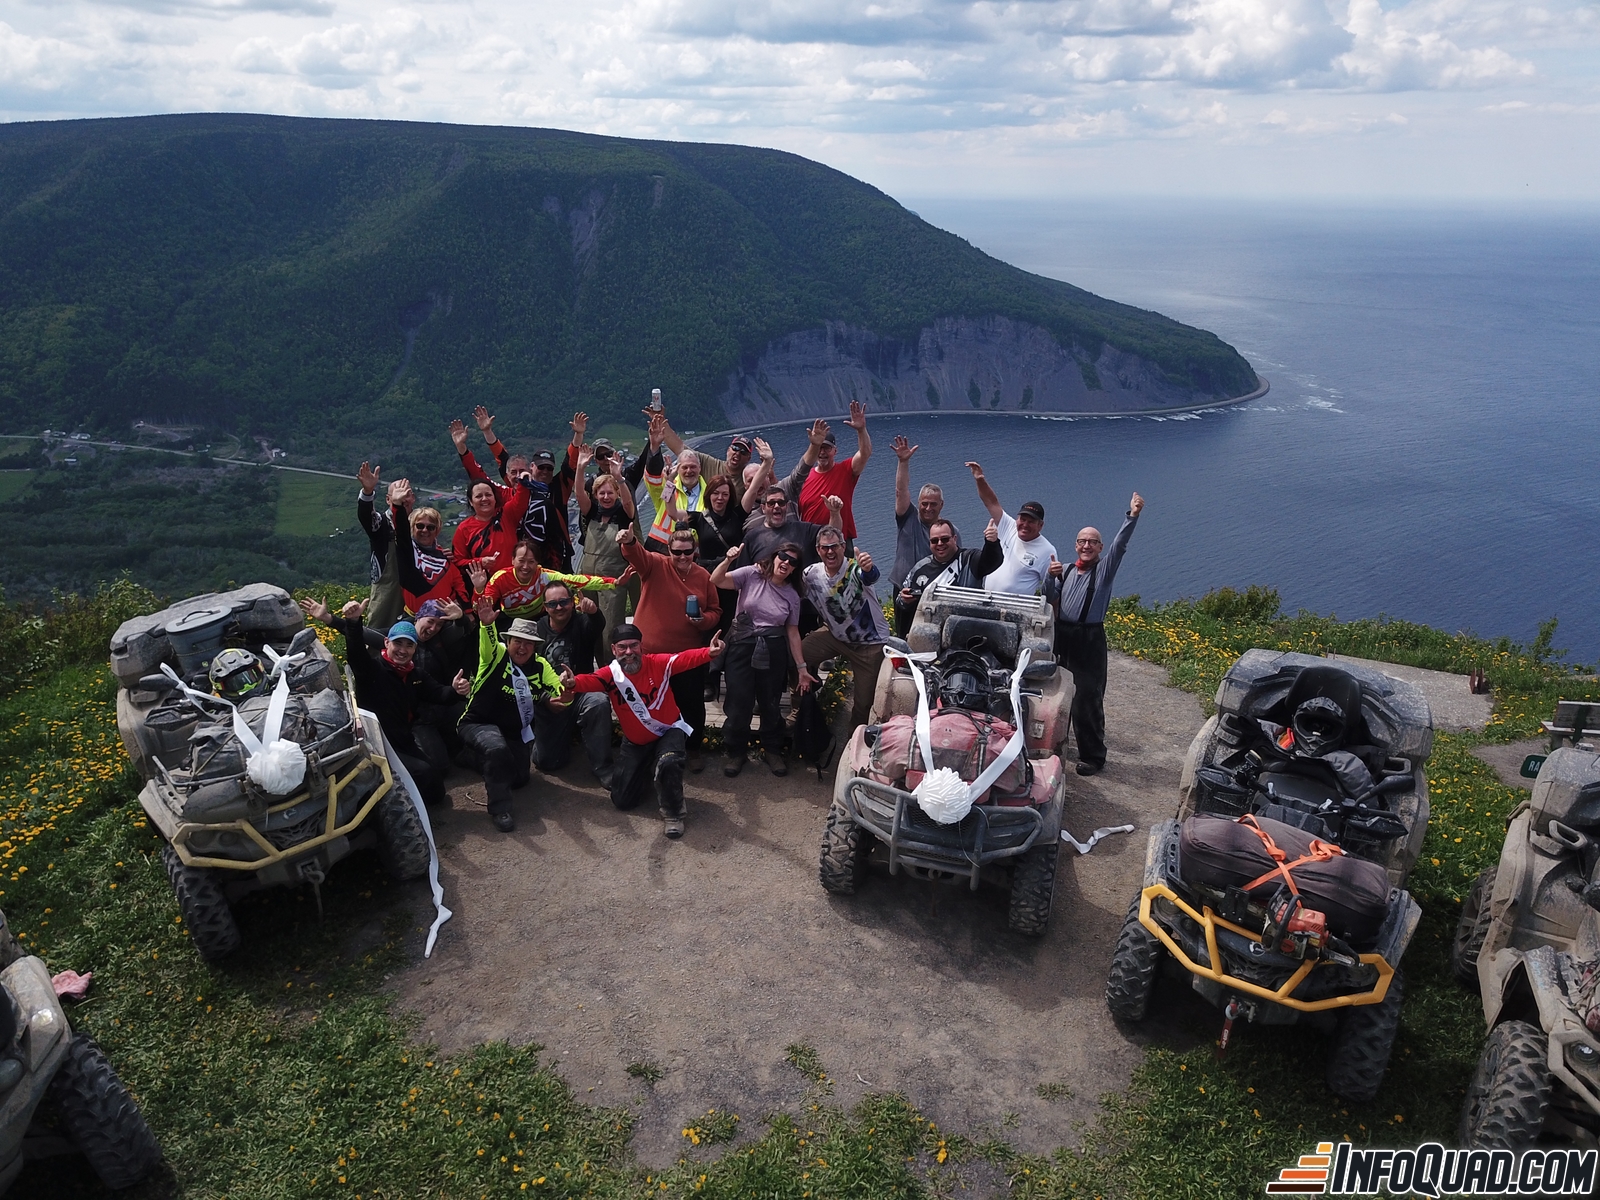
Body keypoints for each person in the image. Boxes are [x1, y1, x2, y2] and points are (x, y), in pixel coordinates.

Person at [560, 624, 726, 839]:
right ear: (613, 649)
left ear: (641, 647)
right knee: (622, 801)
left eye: (633, 646)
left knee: (669, 762)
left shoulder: (658, 663)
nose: (629, 652)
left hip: (668, 731)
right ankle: (649, 770)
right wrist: (572, 683)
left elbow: (685, 658)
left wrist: (709, 652)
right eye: (623, 647)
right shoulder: (611, 674)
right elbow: (588, 681)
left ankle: (673, 813)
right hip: (636, 741)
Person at [299, 598, 455, 806]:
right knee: (423, 772)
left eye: (409, 645)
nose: (402, 650)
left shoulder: (415, 674)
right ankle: (400, 808)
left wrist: (457, 690)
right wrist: (353, 622)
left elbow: (440, 694)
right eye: (398, 643)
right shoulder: (372, 670)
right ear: (387, 643)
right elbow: (356, 654)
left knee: (436, 781)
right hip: (377, 743)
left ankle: (417, 802)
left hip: (402, 739)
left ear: (414, 649)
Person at [1046, 493, 1145, 777]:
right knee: (1056, 691)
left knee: (1088, 696)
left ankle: (1093, 756)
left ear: (1100, 548)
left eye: (1092, 542)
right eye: (1082, 541)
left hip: (1089, 639)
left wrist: (1133, 515)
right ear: (1076, 546)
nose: (1086, 545)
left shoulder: (1103, 572)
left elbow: (1120, 547)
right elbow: (1050, 596)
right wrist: (1049, 576)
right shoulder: (1063, 570)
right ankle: (1056, 744)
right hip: (1063, 634)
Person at [456, 592, 568, 832]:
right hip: (477, 723)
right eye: (517, 640)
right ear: (508, 641)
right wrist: (487, 623)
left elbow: (558, 690)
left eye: (528, 642)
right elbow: (487, 640)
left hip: (512, 733)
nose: (522, 647)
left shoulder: (540, 665)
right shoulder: (495, 655)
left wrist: (568, 688)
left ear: (535, 646)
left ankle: (473, 758)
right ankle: (500, 809)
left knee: (519, 778)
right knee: (496, 749)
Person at [616, 524, 721, 772]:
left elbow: (715, 611)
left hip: (687, 656)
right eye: (677, 552)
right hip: (652, 656)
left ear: (695, 551)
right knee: (651, 703)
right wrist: (630, 541)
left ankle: (692, 748)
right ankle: (651, 748)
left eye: (687, 552)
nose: (682, 557)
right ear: (669, 551)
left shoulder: (703, 576)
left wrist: (703, 621)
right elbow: (637, 555)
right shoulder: (655, 565)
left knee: (692, 704)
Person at [710, 540, 814, 777]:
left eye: (793, 561)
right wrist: (728, 559)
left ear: (796, 568)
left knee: (770, 701)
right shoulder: (751, 574)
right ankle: (736, 751)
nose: (786, 563)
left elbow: (793, 632)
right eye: (783, 557)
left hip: (773, 648)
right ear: (774, 556)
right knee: (738, 700)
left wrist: (801, 667)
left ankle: (772, 749)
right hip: (741, 644)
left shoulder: (792, 595)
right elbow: (715, 580)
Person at [801, 528, 890, 733]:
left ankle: (853, 741)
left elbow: (869, 575)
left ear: (843, 547)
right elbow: (792, 594)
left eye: (835, 547)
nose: (830, 552)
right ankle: (803, 706)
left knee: (863, 702)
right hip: (835, 635)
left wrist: (869, 568)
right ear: (818, 549)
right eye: (825, 548)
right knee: (798, 656)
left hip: (869, 644)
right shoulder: (811, 574)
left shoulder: (854, 568)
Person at [668, 473, 747, 701]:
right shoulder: (699, 518)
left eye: (724, 493)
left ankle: (729, 679)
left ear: (730, 495)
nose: (720, 498)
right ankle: (709, 681)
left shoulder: (737, 515)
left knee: (729, 628)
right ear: (708, 494)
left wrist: (767, 464)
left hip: (730, 580)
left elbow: (751, 493)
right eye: (715, 493)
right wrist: (668, 484)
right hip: (706, 579)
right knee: (706, 630)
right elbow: (672, 511)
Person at [531, 581, 613, 786]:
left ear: (572, 601)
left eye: (564, 601)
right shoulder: (536, 631)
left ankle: (603, 766)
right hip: (551, 699)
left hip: (580, 693)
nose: (559, 607)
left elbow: (596, 625)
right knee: (548, 762)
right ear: (545, 607)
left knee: (599, 701)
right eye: (553, 604)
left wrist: (594, 612)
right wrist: (546, 700)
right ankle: (551, 737)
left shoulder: (582, 622)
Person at [894, 518, 1004, 635]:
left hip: (969, 632)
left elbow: (992, 561)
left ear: (955, 539)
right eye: (935, 540)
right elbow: (902, 602)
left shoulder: (970, 559)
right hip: (929, 635)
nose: (940, 544)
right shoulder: (920, 568)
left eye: (945, 539)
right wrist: (905, 600)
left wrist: (992, 543)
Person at [965, 461, 1057, 597]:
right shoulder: (1008, 526)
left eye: (1031, 521)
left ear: (1040, 525)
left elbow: (1049, 589)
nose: (1025, 524)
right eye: (1022, 519)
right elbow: (991, 502)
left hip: (1017, 609)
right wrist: (980, 479)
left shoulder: (1047, 551)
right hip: (986, 600)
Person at [574, 444, 636, 645]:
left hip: (612, 579)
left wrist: (619, 478)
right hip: (588, 576)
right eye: (602, 493)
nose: (606, 497)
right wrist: (581, 468)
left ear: (617, 493)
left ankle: (611, 668)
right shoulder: (592, 511)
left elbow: (628, 504)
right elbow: (578, 495)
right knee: (588, 623)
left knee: (610, 626)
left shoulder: (623, 513)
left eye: (610, 493)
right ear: (595, 495)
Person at [785, 405, 872, 540]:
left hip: (839, 542)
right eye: (819, 448)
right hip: (810, 541)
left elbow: (865, 453)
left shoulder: (846, 470)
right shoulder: (804, 477)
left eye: (826, 448)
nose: (822, 452)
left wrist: (861, 430)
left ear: (835, 451)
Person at [479, 539, 616, 624]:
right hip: (510, 622)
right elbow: (482, 607)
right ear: (512, 560)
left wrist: (614, 582)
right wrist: (478, 589)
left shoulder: (544, 575)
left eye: (531, 562)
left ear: (537, 563)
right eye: (521, 561)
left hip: (541, 619)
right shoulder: (500, 578)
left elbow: (577, 581)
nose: (526, 567)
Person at [387, 478, 469, 614]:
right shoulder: (407, 551)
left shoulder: (445, 557)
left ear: (437, 530)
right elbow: (401, 533)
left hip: (445, 618)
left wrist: (468, 612)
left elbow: (459, 586)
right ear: (412, 528)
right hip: (415, 619)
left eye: (431, 527)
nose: (425, 531)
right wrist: (397, 505)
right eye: (420, 526)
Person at [888, 436, 955, 590]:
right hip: (903, 589)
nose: (928, 508)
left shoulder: (950, 532)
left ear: (942, 505)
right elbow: (901, 491)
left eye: (933, 504)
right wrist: (903, 462)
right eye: (924, 504)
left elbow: (955, 563)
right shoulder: (908, 518)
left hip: (933, 591)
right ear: (918, 504)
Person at [738, 471, 843, 570]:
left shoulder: (805, 530)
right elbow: (742, 576)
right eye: (771, 503)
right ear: (763, 508)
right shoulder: (752, 538)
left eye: (781, 503)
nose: (776, 506)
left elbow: (833, 534)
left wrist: (834, 512)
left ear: (787, 506)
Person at [356, 461, 405, 630]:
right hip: (387, 592)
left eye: (407, 493)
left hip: (413, 595)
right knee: (377, 634)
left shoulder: (419, 524)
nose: (403, 496)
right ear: (388, 499)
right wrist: (368, 492)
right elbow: (365, 516)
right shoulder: (382, 523)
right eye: (397, 493)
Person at [452, 476, 531, 578]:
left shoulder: (507, 514)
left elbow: (522, 499)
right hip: (485, 586)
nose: (484, 499)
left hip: (515, 579)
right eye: (479, 496)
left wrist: (524, 479)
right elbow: (458, 562)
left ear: (495, 498)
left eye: (488, 495)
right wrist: (480, 562)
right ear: (471, 502)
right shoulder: (463, 529)